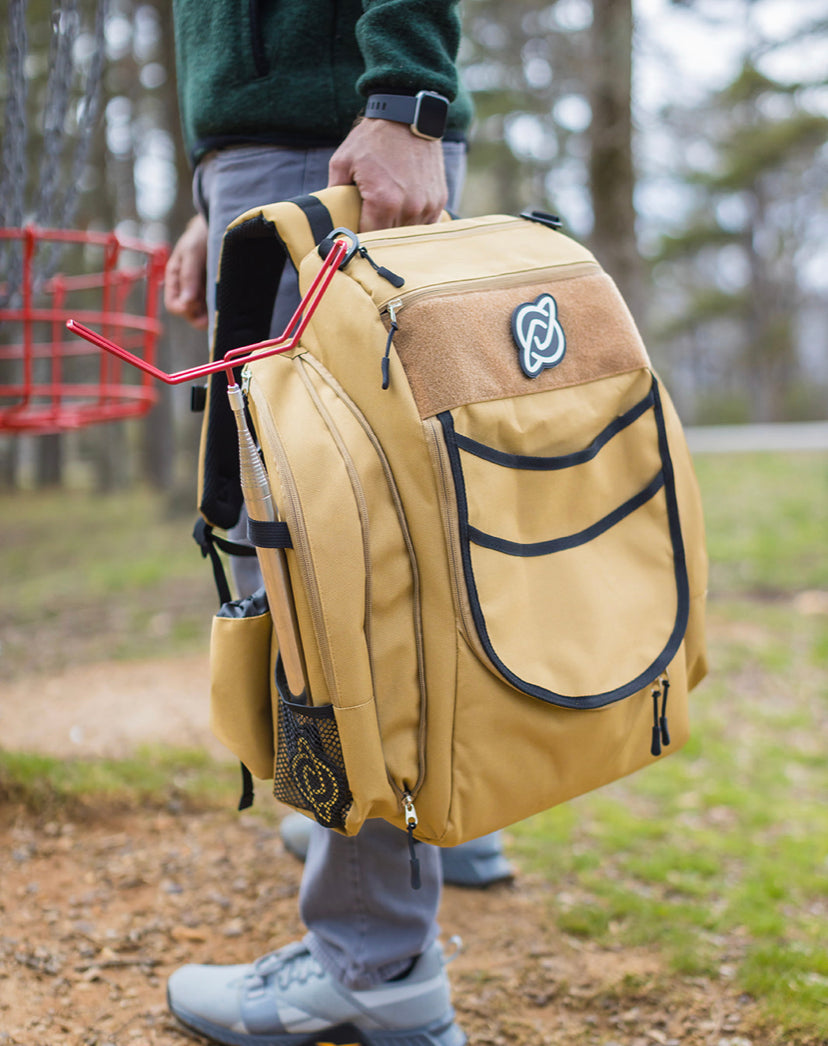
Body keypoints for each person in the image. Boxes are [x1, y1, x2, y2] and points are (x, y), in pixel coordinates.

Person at [163, 3, 512, 1045]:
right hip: (296, 143)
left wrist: (404, 90)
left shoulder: (378, 104)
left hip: (333, 140)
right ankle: (447, 822)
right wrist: (210, 185)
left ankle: (374, 956)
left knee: (325, 561)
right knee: (394, 525)